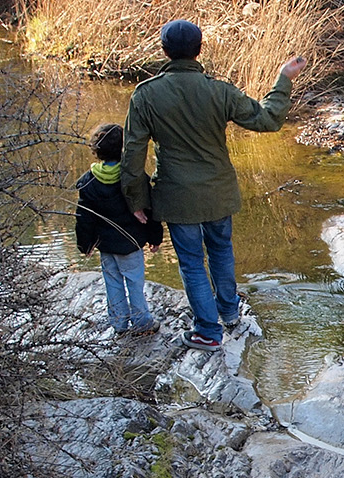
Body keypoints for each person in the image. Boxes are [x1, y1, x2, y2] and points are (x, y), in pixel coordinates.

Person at [120, 19, 307, 351]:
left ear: (164, 51)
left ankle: (208, 330)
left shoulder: (146, 95)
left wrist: (136, 198)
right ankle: (230, 314)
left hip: (178, 197)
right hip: (219, 193)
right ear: (199, 50)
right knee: (221, 251)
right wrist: (283, 78)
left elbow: (133, 152)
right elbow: (268, 119)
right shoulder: (219, 91)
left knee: (192, 262)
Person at [75, 122, 164, 336]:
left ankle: (119, 324)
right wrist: (155, 237)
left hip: (105, 245)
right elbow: (148, 208)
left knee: (112, 282)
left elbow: (84, 218)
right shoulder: (132, 177)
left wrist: (84, 244)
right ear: (125, 149)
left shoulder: (88, 182)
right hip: (130, 243)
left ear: (96, 151)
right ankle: (142, 323)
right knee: (134, 282)